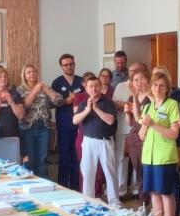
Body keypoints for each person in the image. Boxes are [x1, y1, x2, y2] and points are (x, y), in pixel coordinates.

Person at [138, 72, 180, 216]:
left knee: (165, 193)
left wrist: (153, 124)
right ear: (151, 87)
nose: (158, 88)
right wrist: (145, 125)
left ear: (167, 88)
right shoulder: (147, 107)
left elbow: (174, 134)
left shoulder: (172, 105)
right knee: (154, 192)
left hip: (164, 156)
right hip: (148, 157)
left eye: (162, 85)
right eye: (155, 85)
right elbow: (141, 136)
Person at [75, 72, 119, 206]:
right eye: (91, 86)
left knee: (110, 172)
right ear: (86, 88)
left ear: (100, 87)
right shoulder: (84, 103)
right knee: (87, 172)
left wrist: (96, 108)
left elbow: (110, 120)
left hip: (105, 141)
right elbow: (75, 120)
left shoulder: (108, 102)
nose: (94, 89)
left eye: (96, 86)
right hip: (89, 141)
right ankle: (88, 201)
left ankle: (114, 202)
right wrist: (88, 109)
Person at [112, 62, 144, 198]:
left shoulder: (146, 88)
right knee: (121, 160)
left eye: (137, 70)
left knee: (137, 160)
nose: (134, 73)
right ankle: (121, 190)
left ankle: (136, 189)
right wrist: (128, 105)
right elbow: (114, 102)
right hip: (123, 128)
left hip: (140, 130)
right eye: (131, 71)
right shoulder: (120, 86)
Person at [17, 64, 54, 178]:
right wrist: (35, 91)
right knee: (30, 159)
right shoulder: (20, 89)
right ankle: (29, 182)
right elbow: (24, 106)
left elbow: (57, 100)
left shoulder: (44, 87)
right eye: (28, 72)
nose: (31, 74)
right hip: (27, 127)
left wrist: (47, 91)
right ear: (24, 75)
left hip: (44, 126)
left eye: (33, 71)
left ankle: (44, 184)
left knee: (43, 159)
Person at [51, 54, 81, 189]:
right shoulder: (57, 83)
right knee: (64, 156)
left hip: (79, 125)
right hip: (64, 125)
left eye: (71, 64)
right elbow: (53, 104)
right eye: (66, 65)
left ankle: (76, 187)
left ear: (74, 64)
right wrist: (66, 101)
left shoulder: (81, 81)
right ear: (61, 67)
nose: (69, 67)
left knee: (77, 156)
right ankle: (62, 186)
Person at [121, 67, 149, 200]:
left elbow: (142, 119)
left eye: (142, 78)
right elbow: (130, 122)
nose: (139, 82)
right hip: (134, 137)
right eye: (136, 80)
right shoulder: (132, 97)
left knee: (147, 171)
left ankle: (150, 202)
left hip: (147, 137)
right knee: (138, 171)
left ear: (148, 79)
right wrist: (127, 113)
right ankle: (143, 202)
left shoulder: (151, 97)